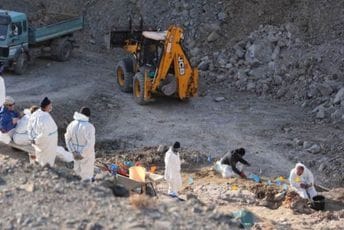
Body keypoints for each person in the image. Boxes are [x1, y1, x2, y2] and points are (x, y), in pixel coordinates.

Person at [64, 107, 95, 181]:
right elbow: (90, 144)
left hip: (75, 154)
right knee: (87, 175)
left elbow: (67, 139)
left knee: (77, 173)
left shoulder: (72, 124)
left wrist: (73, 152)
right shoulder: (89, 127)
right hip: (86, 155)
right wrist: (82, 154)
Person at [27, 97, 58, 167]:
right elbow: (43, 133)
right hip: (44, 143)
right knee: (45, 161)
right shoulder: (42, 117)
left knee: (47, 159)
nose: (51, 107)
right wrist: (35, 140)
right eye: (50, 106)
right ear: (46, 106)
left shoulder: (42, 114)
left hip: (48, 142)